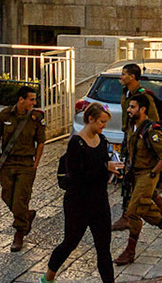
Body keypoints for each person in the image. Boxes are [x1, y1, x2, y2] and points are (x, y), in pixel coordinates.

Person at [43, 101, 120, 283]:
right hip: (78, 202)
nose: (104, 126)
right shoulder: (76, 144)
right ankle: (48, 277)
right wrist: (104, 167)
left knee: (103, 248)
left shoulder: (103, 142)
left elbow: (102, 171)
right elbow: (78, 177)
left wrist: (113, 171)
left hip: (99, 202)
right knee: (70, 242)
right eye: (101, 122)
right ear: (90, 119)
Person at [113, 82, 162, 263]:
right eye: (129, 106)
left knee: (133, 211)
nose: (129, 110)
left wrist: (153, 173)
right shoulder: (131, 127)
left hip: (146, 174)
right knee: (143, 208)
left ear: (142, 109)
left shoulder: (151, 130)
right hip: (133, 174)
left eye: (133, 107)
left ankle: (130, 250)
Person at [0, 84, 46, 252]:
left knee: (20, 199)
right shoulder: (4, 115)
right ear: (21, 100)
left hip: (25, 164)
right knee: (7, 196)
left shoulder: (36, 118)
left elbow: (41, 141)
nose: (34, 103)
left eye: (35, 99)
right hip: (8, 164)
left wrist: (36, 163)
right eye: (31, 99)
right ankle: (27, 215)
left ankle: (19, 233)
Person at [114, 65, 162, 226]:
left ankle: (128, 215)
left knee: (131, 177)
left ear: (132, 77)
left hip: (140, 140)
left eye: (123, 74)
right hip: (129, 136)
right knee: (128, 174)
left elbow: (153, 121)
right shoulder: (127, 93)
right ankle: (159, 201)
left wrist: (143, 139)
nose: (121, 77)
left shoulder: (144, 96)